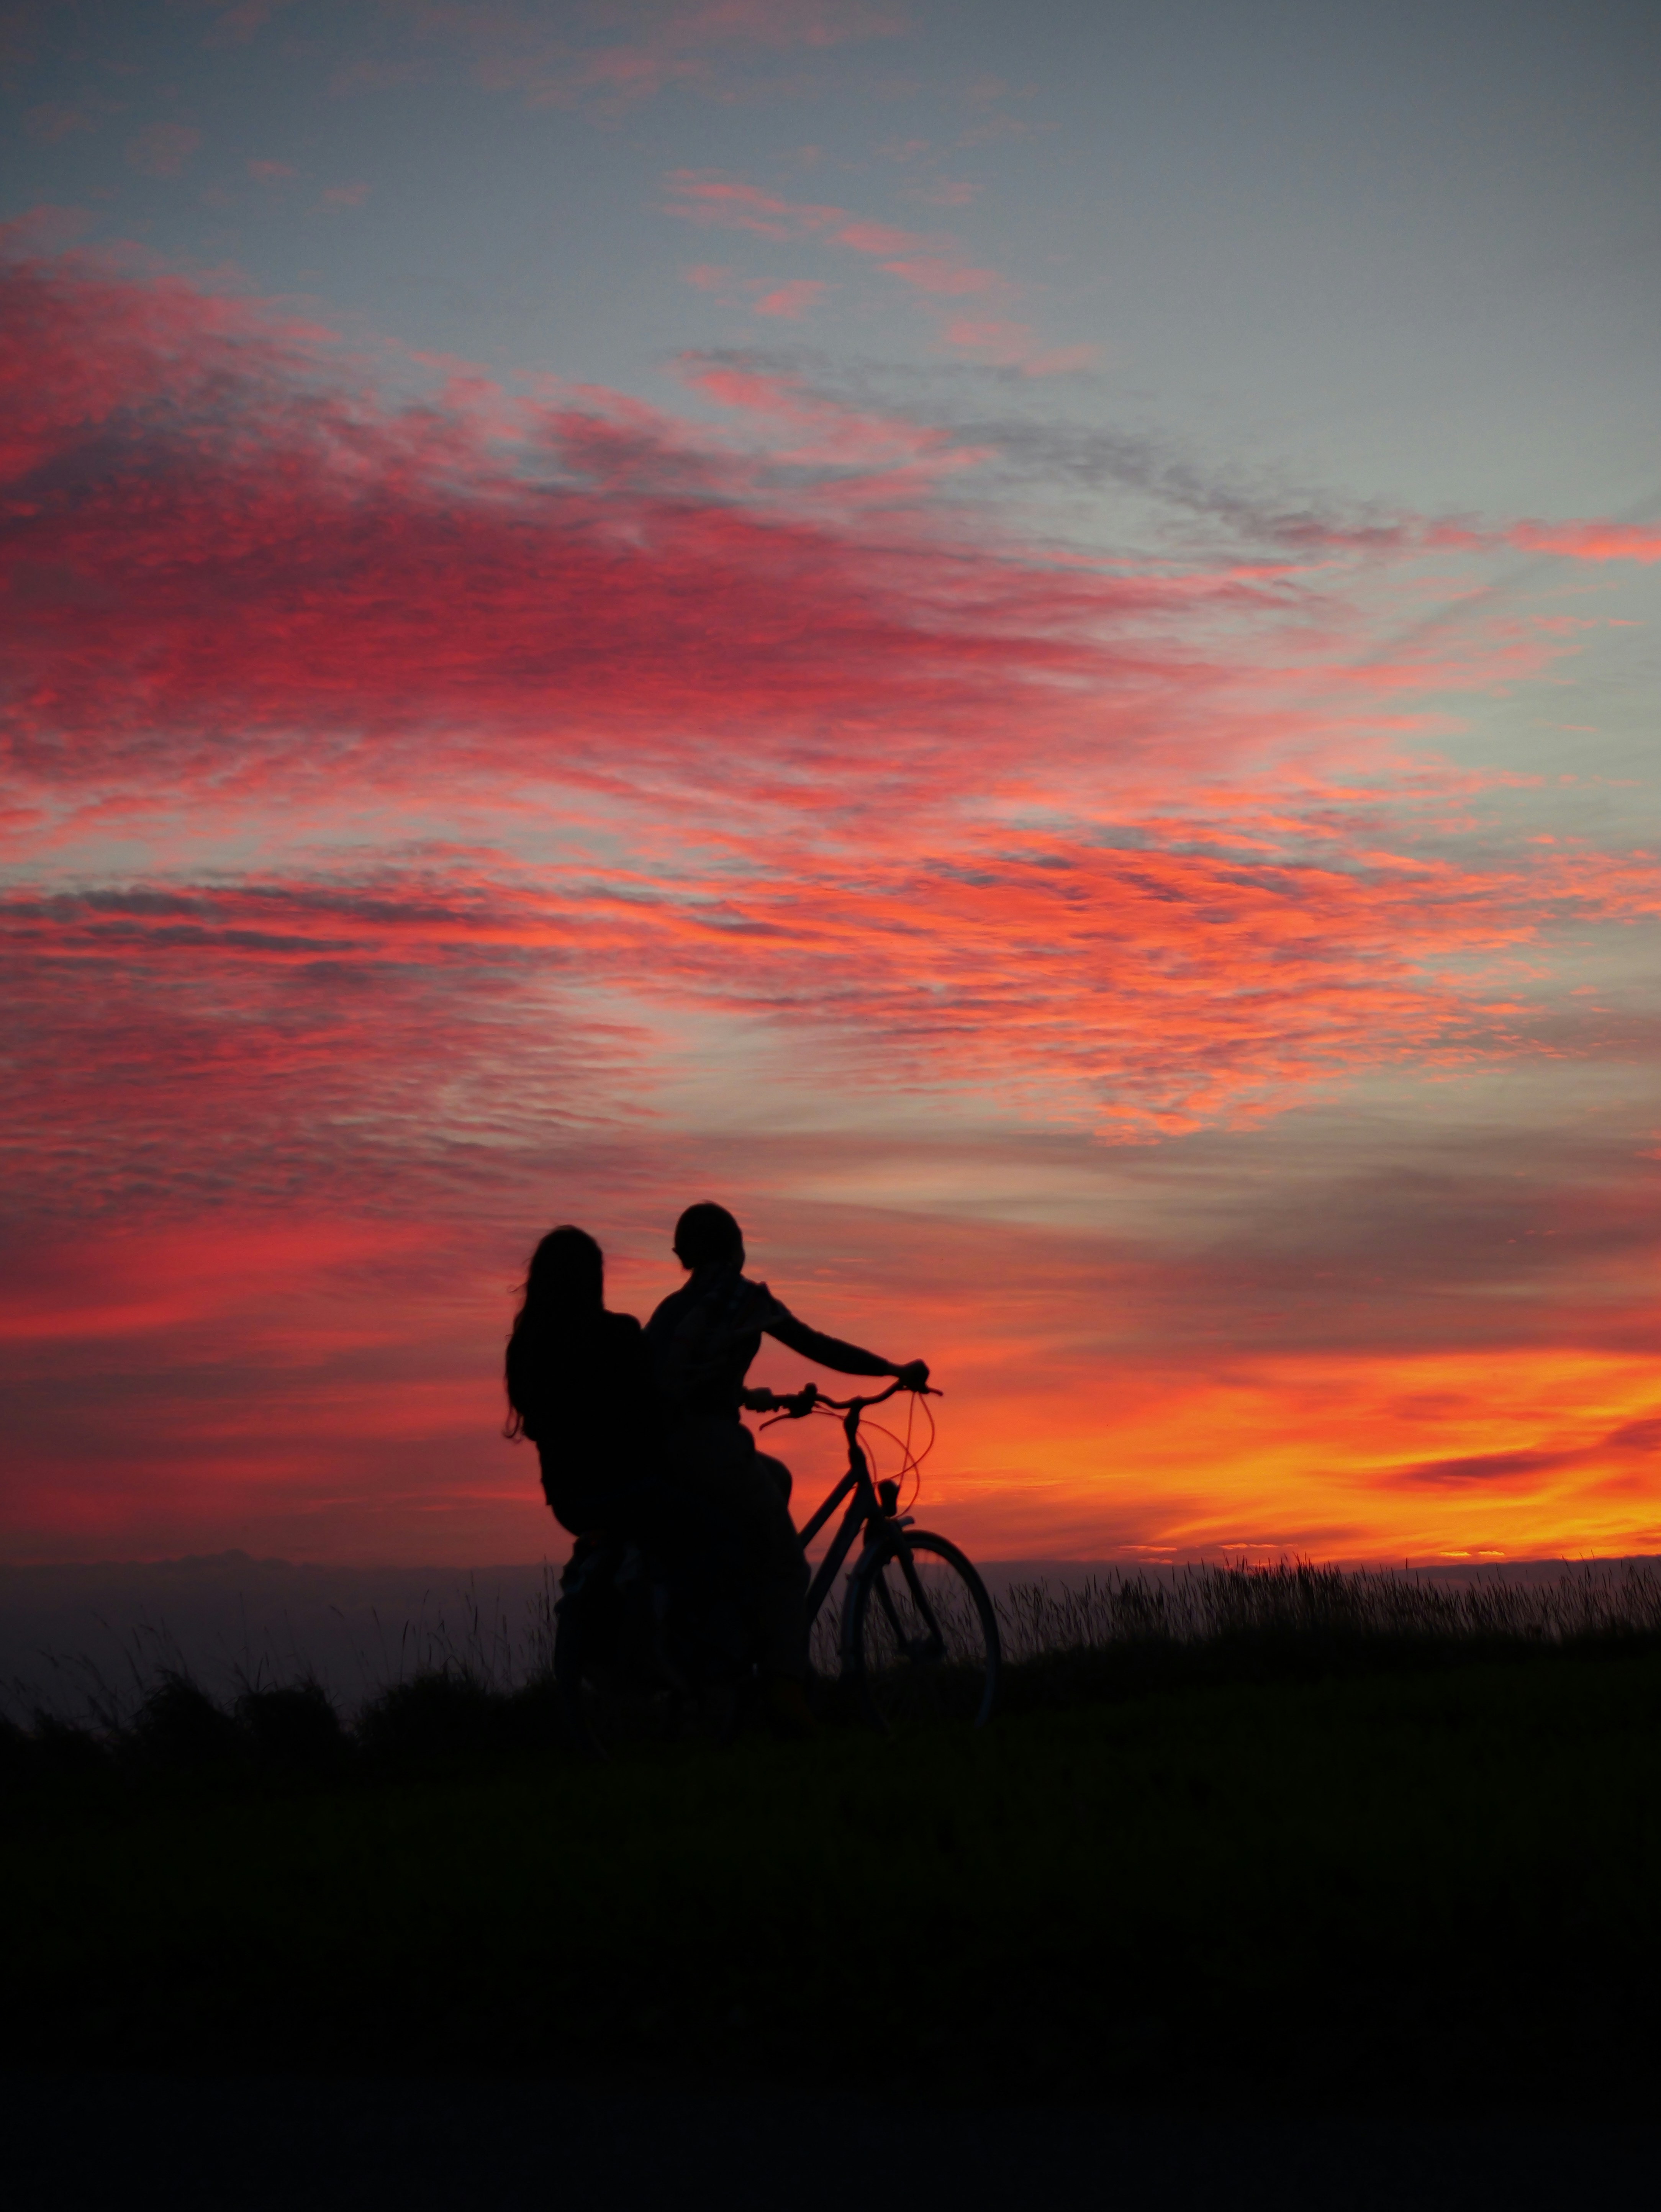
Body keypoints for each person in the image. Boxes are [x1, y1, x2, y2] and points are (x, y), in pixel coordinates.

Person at [644, 1202, 929, 1712]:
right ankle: (787, 1695)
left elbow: (683, 1383)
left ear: (682, 1255)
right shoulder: (739, 1297)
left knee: (776, 1479)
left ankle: (748, 1628)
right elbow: (816, 1345)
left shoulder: (672, 1309)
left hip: (663, 1455)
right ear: (736, 1249)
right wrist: (892, 1369)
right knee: (789, 1570)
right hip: (713, 1449)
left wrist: (763, 1399)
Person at [503, 1224, 666, 1538]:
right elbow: (652, 1410)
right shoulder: (619, 1334)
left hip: (569, 1500)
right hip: (630, 1486)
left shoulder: (528, 1347)